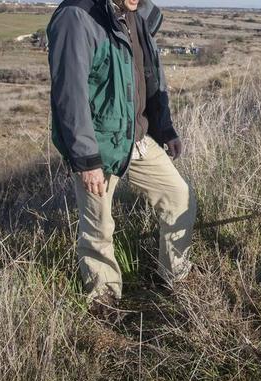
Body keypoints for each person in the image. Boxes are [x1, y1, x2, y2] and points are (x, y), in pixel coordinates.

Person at [47, 0, 196, 316]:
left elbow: (150, 75)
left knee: (178, 195)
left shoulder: (137, 15)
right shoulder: (78, 17)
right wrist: (86, 160)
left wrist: (165, 128)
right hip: (99, 145)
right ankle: (103, 300)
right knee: (98, 225)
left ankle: (175, 277)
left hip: (137, 137)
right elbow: (70, 96)